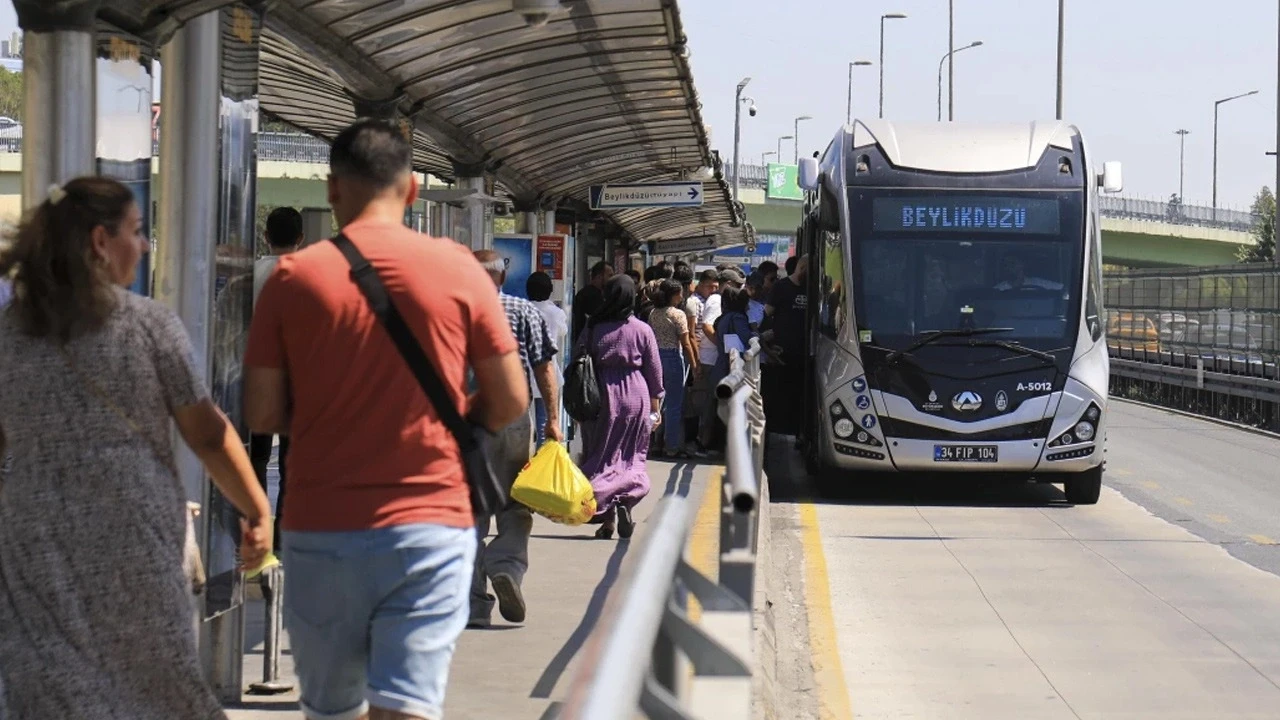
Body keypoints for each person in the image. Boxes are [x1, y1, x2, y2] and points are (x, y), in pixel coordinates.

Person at [244, 119, 528, 720]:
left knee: (333, 708)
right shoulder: (458, 271)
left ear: (331, 190)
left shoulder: (292, 280)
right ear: (413, 192)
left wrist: (331, 418)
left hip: (322, 527)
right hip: (432, 524)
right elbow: (509, 399)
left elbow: (263, 411)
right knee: (406, 708)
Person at [0, 177, 272, 719]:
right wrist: (257, 508)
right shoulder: (147, 326)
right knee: (158, 686)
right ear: (101, 241)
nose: (143, 245)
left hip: (32, 540)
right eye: (136, 231)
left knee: (53, 686)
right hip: (133, 537)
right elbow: (208, 435)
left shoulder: (9, 333)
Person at [470, 250, 560, 629]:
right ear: (502, 279)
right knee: (515, 502)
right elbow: (544, 369)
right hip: (514, 418)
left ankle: (474, 604)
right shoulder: (525, 312)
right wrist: (553, 420)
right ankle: (505, 565)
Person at [577, 275, 664, 540]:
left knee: (602, 454)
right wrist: (655, 407)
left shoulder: (593, 327)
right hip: (636, 396)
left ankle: (606, 519)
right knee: (631, 455)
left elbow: (578, 357)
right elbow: (654, 370)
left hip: (600, 397)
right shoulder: (642, 329)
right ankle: (626, 501)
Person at [248, 206, 303, 552]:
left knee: (253, 456)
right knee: (289, 463)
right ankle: (282, 537)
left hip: (252, 379)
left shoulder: (247, 274)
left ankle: (252, 527)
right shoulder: (311, 275)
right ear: (300, 239)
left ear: (266, 237)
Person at [648, 278, 697, 458]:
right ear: (675, 295)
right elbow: (686, 342)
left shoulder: (654, 313)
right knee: (675, 405)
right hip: (673, 358)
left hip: (655, 358)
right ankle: (672, 446)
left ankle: (653, 443)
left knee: (657, 403)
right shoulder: (678, 314)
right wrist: (694, 364)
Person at [762, 255, 809, 437]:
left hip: (803, 352)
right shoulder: (781, 287)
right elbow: (767, 314)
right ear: (802, 268)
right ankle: (777, 430)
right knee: (779, 393)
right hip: (780, 352)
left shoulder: (811, 286)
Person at [526, 271, 568, 447]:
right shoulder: (556, 313)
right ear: (550, 290)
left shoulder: (523, 309)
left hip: (524, 373)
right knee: (546, 422)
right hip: (548, 373)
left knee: (524, 424)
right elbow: (562, 332)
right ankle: (541, 462)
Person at [571, 260, 613, 342]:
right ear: (599, 277)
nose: (611, 279)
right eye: (610, 275)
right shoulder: (591, 295)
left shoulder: (595, 293)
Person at [993, 254, 1062, 291]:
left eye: (1012, 263)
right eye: (1006, 265)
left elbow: (1063, 289)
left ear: (1022, 264)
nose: (1009, 267)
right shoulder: (998, 290)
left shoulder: (1038, 283)